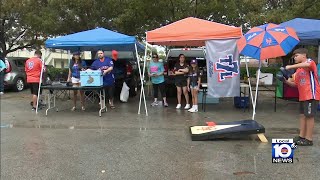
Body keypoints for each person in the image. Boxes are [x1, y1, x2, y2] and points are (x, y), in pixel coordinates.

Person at [284, 48, 320, 146]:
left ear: (304, 55)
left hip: (311, 95)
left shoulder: (309, 62)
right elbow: (295, 84)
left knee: (309, 116)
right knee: (302, 116)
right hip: (303, 96)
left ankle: (309, 139)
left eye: (296, 56)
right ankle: (302, 136)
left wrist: (290, 66)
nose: (294, 58)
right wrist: (285, 81)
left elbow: (307, 65)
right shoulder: (298, 71)